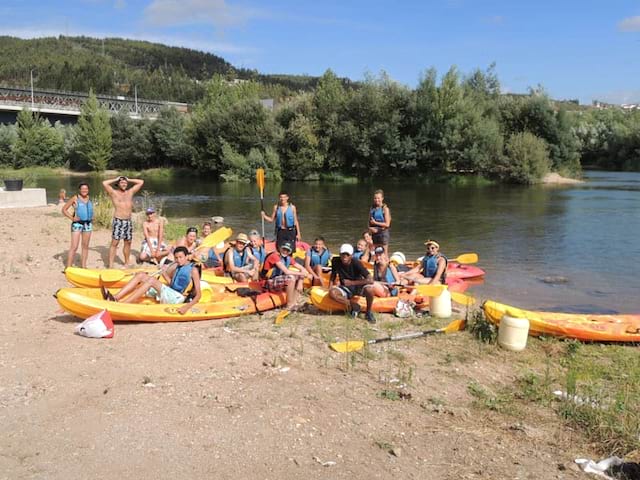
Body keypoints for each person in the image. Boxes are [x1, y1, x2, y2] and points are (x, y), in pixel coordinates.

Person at [104, 246, 201, 315]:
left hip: (178, 298)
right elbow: (172, 284)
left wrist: (186, 307)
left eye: (181, 257)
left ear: (186, 256)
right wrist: (164, 273)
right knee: (141, 275)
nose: (178, 260)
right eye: (176, 258)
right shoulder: (178, 267)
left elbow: (198, 295)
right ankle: (115, 297)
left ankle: (123, 305)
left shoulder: (193, 270)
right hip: (171, 293)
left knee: (151, 281)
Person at [102, 175, 145, 268]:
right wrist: (116, 179)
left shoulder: (130, 192)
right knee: (115, 243)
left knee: (128, 242)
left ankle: (126, 263)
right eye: (122, 182)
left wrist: (128, 179)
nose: (124, 184)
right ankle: (110, 265)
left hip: (128, 221)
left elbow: (141, 182)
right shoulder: (113, 192)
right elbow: (104, 183)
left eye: (125, 183)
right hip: (118, 220)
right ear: (118, 184)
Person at [328, 244, 377, 323]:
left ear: (351, 256)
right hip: (346, 288)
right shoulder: (335, 261)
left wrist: (352, 283)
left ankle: (368, 312)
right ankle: (353, 305)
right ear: (340, 254)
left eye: (347, 255)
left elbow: (370, 280)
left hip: (358, 287)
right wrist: (329, 287)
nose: (345, 257)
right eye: (343, 254)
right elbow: (333, 274)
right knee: (332, 293)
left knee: (369, 289)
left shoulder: (356, 263)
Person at [261, 242, 309, 309]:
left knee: (298, 276)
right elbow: (286, 271)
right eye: (284, 249)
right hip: (268, 282)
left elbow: (302, 268)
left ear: (290, 252)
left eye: (287, 250)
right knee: (291, 278)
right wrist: (302, 274)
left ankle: (294, 302)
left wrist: (301, 280)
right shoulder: (274, 256)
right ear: (280, 249)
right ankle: (289, 305)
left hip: (278, 280)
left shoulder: (289, 258)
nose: (285, 251)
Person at [62, 182, 93, 269]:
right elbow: (64, 210)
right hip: (77, 225)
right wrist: (72, 218)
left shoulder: (89, 198)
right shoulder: (75, 198)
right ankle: (68, 267)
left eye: (86, 189)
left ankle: (83, 266)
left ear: (88, 190)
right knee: (74, 246)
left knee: (85, 246)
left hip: (88, 224)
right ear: (79, 190)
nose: (84, 190)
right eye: (82, 189)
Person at [368, 189, 391, 255]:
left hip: (383, 233)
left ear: (382, 198)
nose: (376, 200)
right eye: (375, 198)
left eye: (378, 198)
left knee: (384, 252)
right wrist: (369, 230)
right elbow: (369, 221)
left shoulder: (385, 209)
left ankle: (386, 263)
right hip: (374, 233)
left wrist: (375, 223)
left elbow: (387, 224)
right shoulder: (372, 208)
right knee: (375, 252)